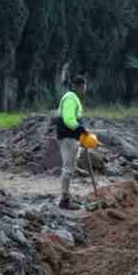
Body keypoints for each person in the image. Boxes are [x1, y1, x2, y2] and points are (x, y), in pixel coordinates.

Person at [55, 74, 89, 210]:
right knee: (68, 168)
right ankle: (64, 200)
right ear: (81, 86)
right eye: (85, 86)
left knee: (69, 167)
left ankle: (66, 196)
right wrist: (81, 129)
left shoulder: (72, 97)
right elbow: (69, 120)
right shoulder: (71, 98)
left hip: (69, 137)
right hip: (68, 137)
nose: (85, 88)